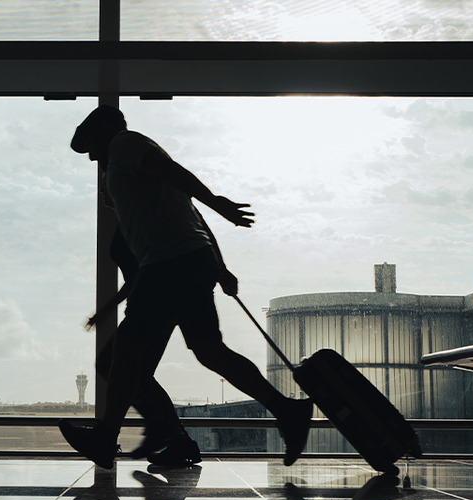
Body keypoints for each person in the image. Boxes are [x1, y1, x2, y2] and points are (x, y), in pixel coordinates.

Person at [60, 105, 312, 470]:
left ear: (103, 131)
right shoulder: (141, 183)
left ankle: (105, 437)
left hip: (168, 263)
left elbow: (175, 173)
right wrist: (218, 266)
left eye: (91, 147)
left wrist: (218, 203)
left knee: (126, 351)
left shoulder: (124, 144)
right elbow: (192, 215)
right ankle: (286, 410)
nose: (92, 158)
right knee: (209, 350)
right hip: (191, 260)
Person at [87, 226, 201, 467]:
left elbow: (145, 271)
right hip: (158, 301)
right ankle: (177, 439)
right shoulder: (130, 219)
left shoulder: (137, 218)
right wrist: (107, 308)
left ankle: (161, 430)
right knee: (140, 374)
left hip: (153, 303)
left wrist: (108, 309)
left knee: (112, 364)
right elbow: (136, 275)